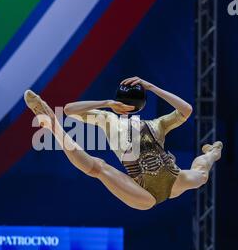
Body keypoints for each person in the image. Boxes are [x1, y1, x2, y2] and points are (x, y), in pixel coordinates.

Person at [24, 76, 222, 210]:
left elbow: (186, 110)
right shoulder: (109, 121)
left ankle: (213, 152)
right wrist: (107, 103)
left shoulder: (157, 124)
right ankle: (53, 126)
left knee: (203, 175)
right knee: (99, 167)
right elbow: (69, 110)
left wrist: (151, 87)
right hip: (143, 193)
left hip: (173, 178)